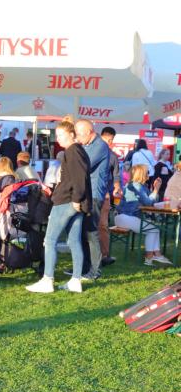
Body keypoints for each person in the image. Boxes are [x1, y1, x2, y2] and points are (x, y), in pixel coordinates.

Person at [26, 119, 92, 294]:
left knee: (50, 240)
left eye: (61, 135)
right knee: (74, 241)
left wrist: (76, 199)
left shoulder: (72, 151)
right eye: (57, 135)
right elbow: (81, 178)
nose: (58, 138)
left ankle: (48, 280)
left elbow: (79, 178)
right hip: (74, 201)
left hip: (67, 201)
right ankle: (75, 280)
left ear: (71, 134)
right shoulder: (78, 150)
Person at [73, 119, 110, 281]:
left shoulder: (100, 146)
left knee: (91, 232)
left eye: (79, 134)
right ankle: (84, 267)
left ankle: (95, 270)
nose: (77, 138)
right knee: (83, 232)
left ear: (89, 132)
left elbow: (83, 165)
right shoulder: (87, 144)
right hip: (86, 194)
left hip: (94, 194)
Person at [114, 165, 171, 265]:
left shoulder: (141, 186)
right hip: (126, 217)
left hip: (127, 217)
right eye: (147, 172)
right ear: (141, 174)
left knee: (155, 229)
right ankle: (149, 257)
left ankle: (157, 254)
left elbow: (152, 201)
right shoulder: (136, 185)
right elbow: (148, 202)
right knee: (153, 229)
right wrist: (156, 189)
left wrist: (155, 189)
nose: (149, 174)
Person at [98, 126, 123, 267]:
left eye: (111, 140)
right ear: (101, 137)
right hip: (90, 194)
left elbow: (116, 176)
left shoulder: (112, 156)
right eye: (108, 140)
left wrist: (117, 187)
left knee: (103, 225)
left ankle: (104, 255)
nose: (110, 142)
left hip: (105, 195)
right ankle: (89, 255)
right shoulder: (91, 152)